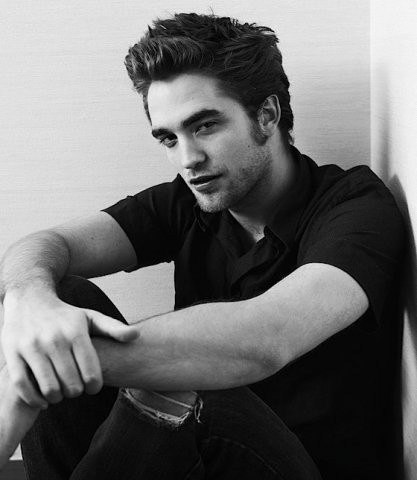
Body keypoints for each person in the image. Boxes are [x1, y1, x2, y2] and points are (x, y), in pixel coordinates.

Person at [0, 12, 405, 480]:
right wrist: (30, 303)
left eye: (205, 126)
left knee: (189, 381)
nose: (187, 159)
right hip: (191, 465)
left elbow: (265, 339)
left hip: (302, 467)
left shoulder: (356, 206)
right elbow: (46, 244)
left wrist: (38, 371)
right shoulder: (188, 200)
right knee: (59, 296)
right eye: (169, 138)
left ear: (267, 115)